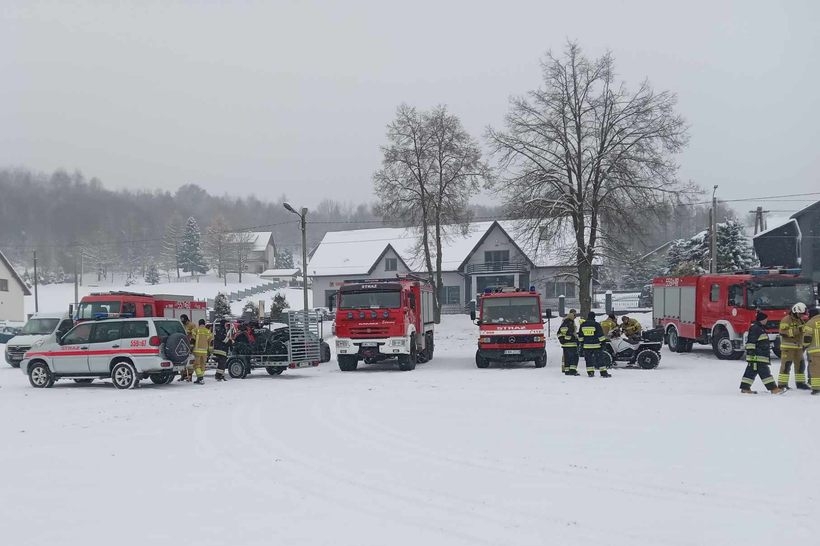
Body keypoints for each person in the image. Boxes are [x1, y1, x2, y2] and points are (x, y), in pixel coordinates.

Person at [740, 311, 785, 395]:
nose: (767, 320)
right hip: (757, 356)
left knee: (750, 372)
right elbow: (751, 341)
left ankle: (745, 388)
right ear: (762, 319)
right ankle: (774, 389)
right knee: (765, 372)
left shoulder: (759, 328)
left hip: (759, 356)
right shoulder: (756, 328)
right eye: (766, 319)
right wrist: (751, 352)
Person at [778, 302, 809, 390]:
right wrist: (798, 330)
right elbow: (783, 332)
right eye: (800, 314)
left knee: (801, 365)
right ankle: (782, 384)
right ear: (796, 311)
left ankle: (800, 383)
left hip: (798, 347)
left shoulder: (800, 320)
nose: (801, 315)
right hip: (788, 347)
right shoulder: (786, 320)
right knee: (786, 366)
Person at [578, 311, 610, 378]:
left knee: (588, 360)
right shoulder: (596, 324)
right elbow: (600, 335)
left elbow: (580, 336)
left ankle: (590, 373)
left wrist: (582, 344)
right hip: (596, 345)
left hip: (586, 346)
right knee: (600, 359)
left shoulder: (583, 325)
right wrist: (603, 343)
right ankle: (603, 373)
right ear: (594, 317)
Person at [803, 307, 820, 395]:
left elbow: (807, 338)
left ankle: (816, 388)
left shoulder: (810, 323)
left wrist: (804, 346)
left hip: (815, 351)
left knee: (815, 370)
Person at [212, 317, 235, 382]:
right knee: (222, 363)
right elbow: (223, 339)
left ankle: (221, 375)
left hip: (222, 348)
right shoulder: (220, 330)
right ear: (223, 324)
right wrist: (230, 342)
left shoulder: (221, 329)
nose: (226, 325)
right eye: (225, 324)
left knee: (223, 363)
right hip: (220, 349)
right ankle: (218, 375)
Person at [191, 319, 213, 385]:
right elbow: (211, 342)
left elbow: (192, 340)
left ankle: (200, 378)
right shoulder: (208, 331)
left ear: (199, 323)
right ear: (204, 323)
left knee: (196, 365)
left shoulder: (196, 330)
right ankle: (200, 378)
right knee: (203, 365)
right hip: (205, 351)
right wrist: (210, 351)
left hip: (197, 350)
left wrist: (191, 348)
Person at [558, 309, 579, 375]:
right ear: (572, 314)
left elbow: (560, 332)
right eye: (574, 314)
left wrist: (562, 340)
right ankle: (572, 370)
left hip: (565, 344)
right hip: (571, 343)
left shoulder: (565, 321)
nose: (575, 316)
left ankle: (566, 369)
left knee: (566, 358)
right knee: (573, 357)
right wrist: (574, 339)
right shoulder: (570, 322)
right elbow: (570, 333)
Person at [178, 314, 196, 382]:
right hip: (183, 345)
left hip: (190, 345)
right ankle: (183, 375)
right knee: (183, 360)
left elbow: (194, 335)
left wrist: (192, 344)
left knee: (190, 360)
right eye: (181, 320)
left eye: (183, 320)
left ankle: (190, 375)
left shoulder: (192, 325)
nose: (182, 321)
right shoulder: (183, 326)